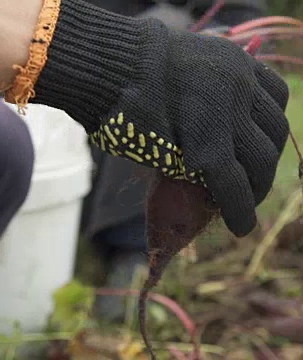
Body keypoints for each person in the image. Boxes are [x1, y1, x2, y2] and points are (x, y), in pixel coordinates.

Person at [0, 0, 289, 359]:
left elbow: (240, 13)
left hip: (80, 54)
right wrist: (102, 56)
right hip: (6, 63)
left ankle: (125, 244)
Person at [79, 0, 270, 322]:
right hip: (44, 37)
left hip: (139, 48)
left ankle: (131, 246)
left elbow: (238, 13)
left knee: (163, 40)